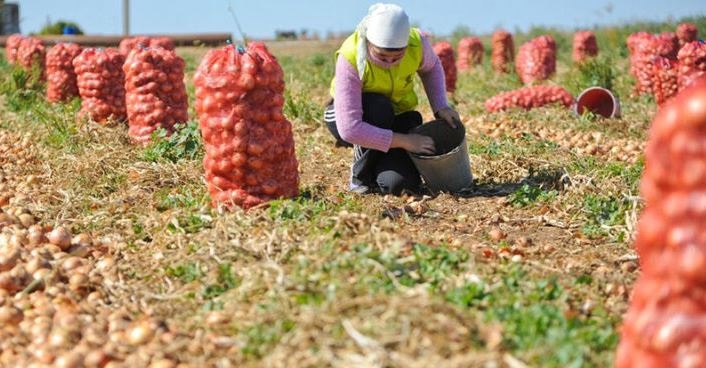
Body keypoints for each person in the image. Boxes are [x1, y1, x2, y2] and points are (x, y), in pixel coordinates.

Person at [323, 3, 462, 195]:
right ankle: (359, 175)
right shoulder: (351, 56)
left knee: (399, 185)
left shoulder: (416, 43)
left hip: (395, 117)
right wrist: (405, 141)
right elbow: (350, 129)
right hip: (349, 117)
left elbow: (432, 68)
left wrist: (441, 106)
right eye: (381, 56)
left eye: (397, 57)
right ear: (368, 43)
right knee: (378, 108)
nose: (389, 63)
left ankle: (381, 163)